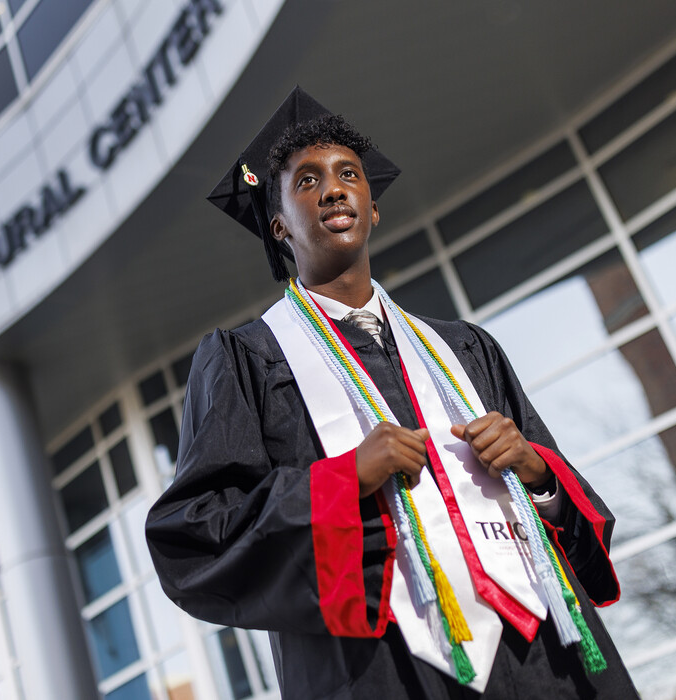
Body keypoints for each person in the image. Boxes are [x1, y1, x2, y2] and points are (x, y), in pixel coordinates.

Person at [145, 87, 637, 699]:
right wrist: (343, 479)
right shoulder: (245, 360)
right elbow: (195, 538)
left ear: (372, 207)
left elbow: (583, 534)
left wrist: (538, 472)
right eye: (306, 181)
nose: (333, 188)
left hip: (547, 662)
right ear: (278, 227)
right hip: (385, 670)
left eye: (348, 174)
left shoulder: (464, 350)